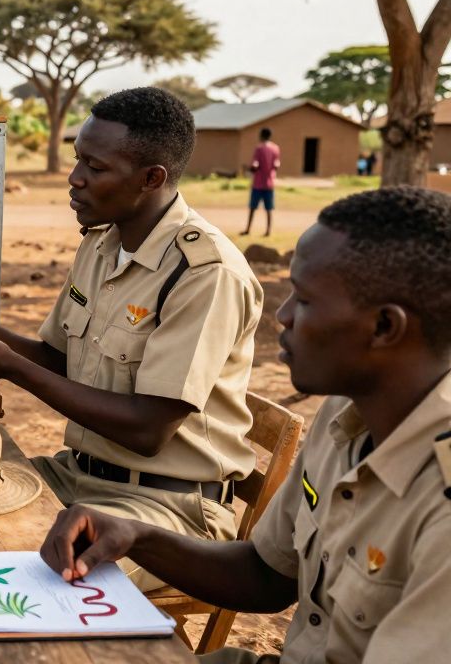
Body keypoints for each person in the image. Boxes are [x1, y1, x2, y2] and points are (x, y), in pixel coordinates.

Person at [39, 187, 451, 664]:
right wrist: (136, 535)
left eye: (306, 300)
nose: (283, 315)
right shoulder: (346, 416)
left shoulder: (438, 497)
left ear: (384, 327)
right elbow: (265, 576)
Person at [0, 87, 262, 591]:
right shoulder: (103, 243)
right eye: (78, 158)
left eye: (96, 168)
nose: (74, 178)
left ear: (152, 179)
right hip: (75, 477)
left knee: (10, 583)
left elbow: (148, 430)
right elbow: (60, 361)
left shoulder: (204, 274)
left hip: (163, 510)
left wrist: (13, 368)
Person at [241, 128, 279, 237]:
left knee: (253, 208)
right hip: (269, 183)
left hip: (258, 184)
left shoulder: (259, 148)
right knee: (269, 209)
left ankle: (248, 229)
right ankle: (268, 231)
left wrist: (250, 169)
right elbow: (277, 164)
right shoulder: (276, 148)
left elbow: (255, 164)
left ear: (261, 135)